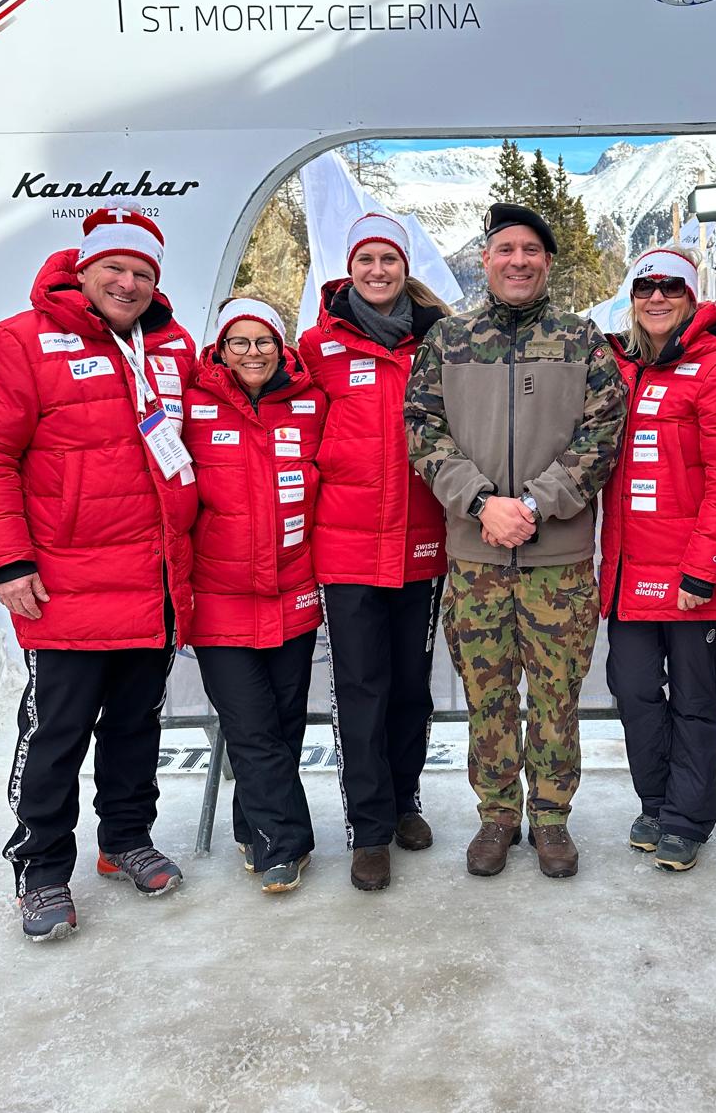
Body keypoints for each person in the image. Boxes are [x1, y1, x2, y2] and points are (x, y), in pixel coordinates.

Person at [0, 207, 197, 942]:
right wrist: (7, 560)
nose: (127, 283)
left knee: (136, 726)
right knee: (56, 734)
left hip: (151, 578)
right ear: (83, 270)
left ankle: (124, 838)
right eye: (114, 270)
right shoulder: (21, 340)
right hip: (63, 582)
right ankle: (40, 871)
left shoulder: (172, 344)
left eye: (142, 273)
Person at [405, 202, 627, 880]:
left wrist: (533, 504)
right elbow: (422, 429)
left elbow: (603, 436)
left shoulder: (583, 341)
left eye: (531, 250)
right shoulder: (447, 340)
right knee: (489, 698)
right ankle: (497, 816)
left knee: (557, 697)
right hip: (475, 563)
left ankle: (552, 819)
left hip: (556, 566)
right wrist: (480, 502)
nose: (518, 261)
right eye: (505, 250)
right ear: (485, 259)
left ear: (548, 262)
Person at [299, 213, 450, 892]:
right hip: (347, 547)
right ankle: (368, 828)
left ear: (405, 266)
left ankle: (403, 799)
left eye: (389, 259)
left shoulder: (439, 342)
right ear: (349, 267)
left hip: (421, 545)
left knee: (411, 691)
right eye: (366, 260)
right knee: (361, 690)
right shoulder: (316, 346)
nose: (378, 271)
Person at [600, 246, 716, 873]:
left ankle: (688, 816)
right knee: (634, 689)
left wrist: (706, 566)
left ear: (692, 297)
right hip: (629, 570)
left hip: (695, 576)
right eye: (646, 288)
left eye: (671, 287)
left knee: (693, 698)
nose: (657, 298)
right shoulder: (622, 368)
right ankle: (656, 798)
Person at [184, 297, 325, 895]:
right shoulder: (188, 404)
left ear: (281, 345)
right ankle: (283, 845)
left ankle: (252, 824)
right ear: (219, 348)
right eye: (238, 342)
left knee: (286, 721)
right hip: (219, 595)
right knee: (250, 727)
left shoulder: (310, 402)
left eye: (263, 340)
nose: (252, 353)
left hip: (293, 588)